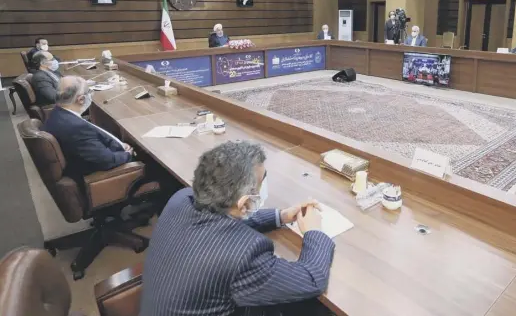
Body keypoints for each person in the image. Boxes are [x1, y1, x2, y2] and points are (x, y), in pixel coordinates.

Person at [140, 141, 335, 316]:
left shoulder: (181, 199)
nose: (263, 187)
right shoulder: (242, 255)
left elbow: (224, 219)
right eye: (262, 181)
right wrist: (314, 231)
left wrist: (281, 216)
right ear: (243, 203)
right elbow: (311, 279)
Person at [42, 76, 134, 178]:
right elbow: (106, 161)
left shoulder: (58, 113)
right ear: (81, 99)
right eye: (89, 91)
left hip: (89, 155)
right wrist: (128, 154)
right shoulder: (76, 128)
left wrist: (117, 144)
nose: (91, 94)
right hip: (97, 176)